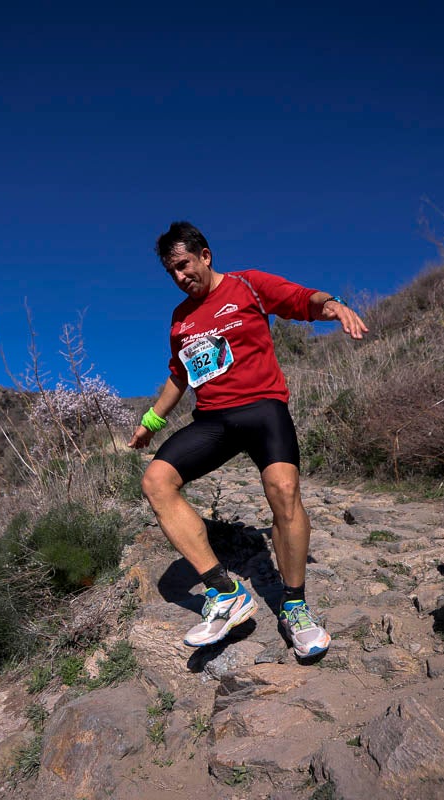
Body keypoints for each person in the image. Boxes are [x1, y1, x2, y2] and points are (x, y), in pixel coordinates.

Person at [128, 221, 368, 660]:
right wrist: (150, 421)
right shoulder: (181, 319)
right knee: (156, 483)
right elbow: (179, 377)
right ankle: (226, 591)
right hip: (214, 420)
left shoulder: (248, 285)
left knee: (284, 492)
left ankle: (294, 606)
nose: (180, 277)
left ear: (205, 255)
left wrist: (331, 305)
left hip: (262, 409)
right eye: (172, 273)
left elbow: (299, 299)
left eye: (184, 265)